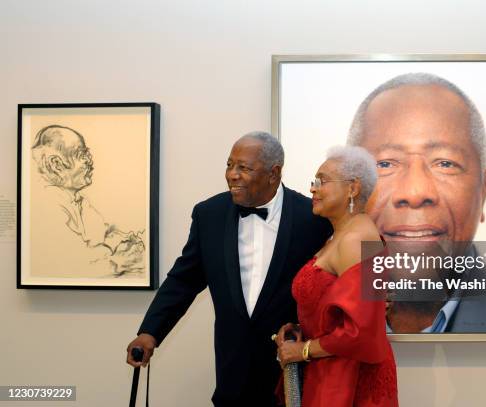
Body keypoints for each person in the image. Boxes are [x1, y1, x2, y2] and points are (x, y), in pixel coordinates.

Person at [126, 132, 332, 406]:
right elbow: (183, 280)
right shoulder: (209, 214)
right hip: (232, 373)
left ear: (274, 173)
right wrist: (150, 331)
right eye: (229, 165)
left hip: (294, 375)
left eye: (243, 168)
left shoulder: (313, 217)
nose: (232, 175)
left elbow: (350, 262)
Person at [347, 72, 486, 333]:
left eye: (445, 163)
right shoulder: (301, 319)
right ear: (349, 192)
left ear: (483, 191)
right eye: (384, 164)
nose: (415, 192)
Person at [275, 146, 398, 407]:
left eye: (323, 181)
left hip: (350, 381)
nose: (313, 189)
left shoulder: (356, 240)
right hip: (333, 370)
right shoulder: (342, 235)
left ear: (352, 188)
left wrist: (303, 350)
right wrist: (302, 330)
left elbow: (360, 332)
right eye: (314, 181)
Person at [30, 125, 144, 277]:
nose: (89, 161)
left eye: (87, 154)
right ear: (56, 164)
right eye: (81, 155)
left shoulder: (81, 201)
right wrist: (121, 259)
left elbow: (107, 233)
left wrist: (126, 241)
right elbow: (75, 264)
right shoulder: (47, 205)